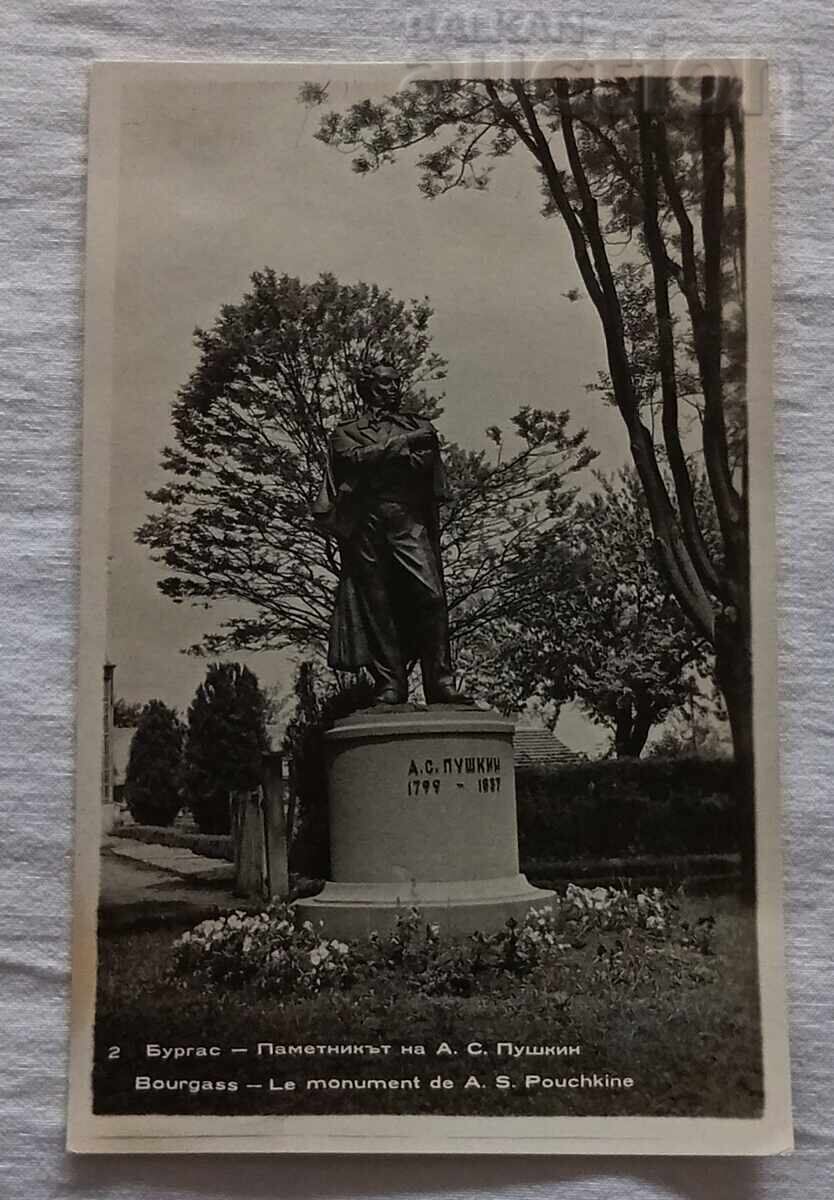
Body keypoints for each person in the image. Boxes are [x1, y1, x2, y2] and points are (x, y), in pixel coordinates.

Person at [312, 362, 472, 706]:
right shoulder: (347, 430)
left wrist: (383, 456)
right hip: (366, 525)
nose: (394, 388)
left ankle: (440, 681)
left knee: (431, 597)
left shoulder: (421, 426)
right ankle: (390, 683)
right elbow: (350, 460)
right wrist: (404, 445)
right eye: (385, 383)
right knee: (377, 605)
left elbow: (421, 466)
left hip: (407, 519)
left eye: (397, 382)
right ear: (367, 387)